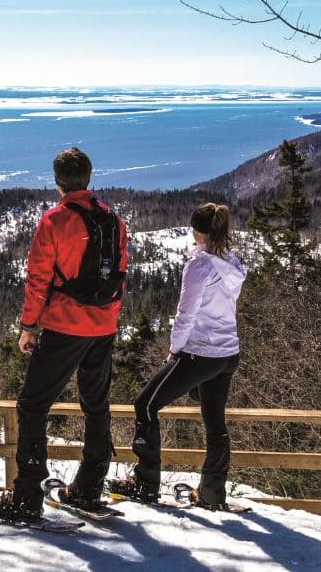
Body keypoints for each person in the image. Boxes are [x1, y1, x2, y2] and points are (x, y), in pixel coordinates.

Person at [0, 147, 128, 521]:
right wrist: (109, 316)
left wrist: (29, 327)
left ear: (57, 181)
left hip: (66, 325)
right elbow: (121, 274)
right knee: (96, 406)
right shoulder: (113, 219)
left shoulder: (55, 221)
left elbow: (38, 280)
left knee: (32, 406)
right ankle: (88, 488)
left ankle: (27, 497)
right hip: (104, 325)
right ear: (89, 176)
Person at [109, 202, 246, 508]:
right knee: (215, 423)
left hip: (200, 351)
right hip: (228, 353)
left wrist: (174, 351)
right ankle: (212, 493)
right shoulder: (232, 263)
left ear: (198, 231)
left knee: (144, 404)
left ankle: (145, 482)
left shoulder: (199, 266)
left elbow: (186, 314)